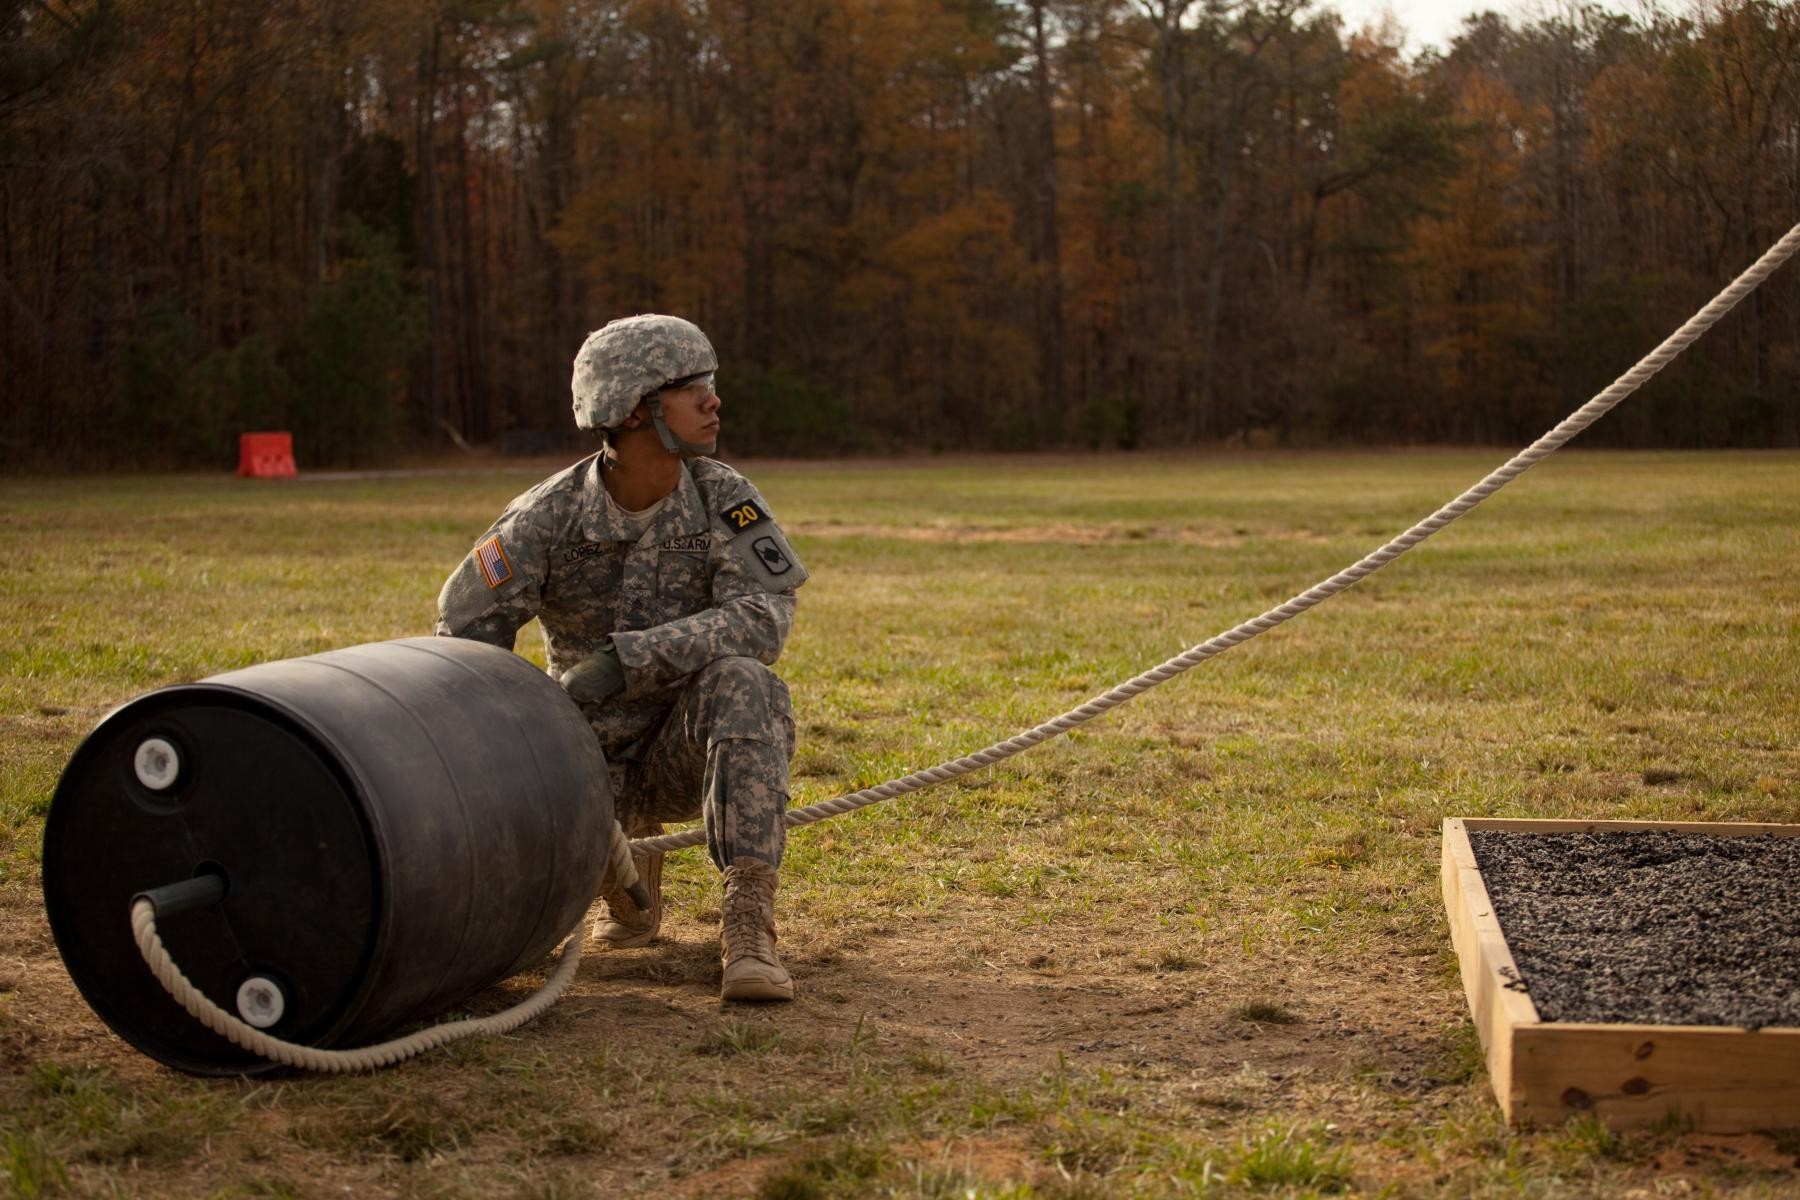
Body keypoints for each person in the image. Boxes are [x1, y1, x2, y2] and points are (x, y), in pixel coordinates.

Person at [435, 314, 806, 1002]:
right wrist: (515, 742)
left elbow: (763, 618)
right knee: (517, 949)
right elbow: (462, 639)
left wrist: (627, 658)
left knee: (746, 683)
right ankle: (621, 878)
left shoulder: (725, 498)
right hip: (578, 765)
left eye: (711, 385)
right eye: (692, 388)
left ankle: (748, 927)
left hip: (680, 748)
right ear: (634, 407)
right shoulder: (544, 519)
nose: (713, 401)